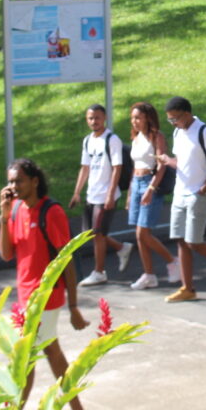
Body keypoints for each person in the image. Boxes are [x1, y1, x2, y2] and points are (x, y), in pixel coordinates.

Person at [0, 158, 93, 410]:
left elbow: (67, 261)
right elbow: (5, 254)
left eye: (19, 181)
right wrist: (3, 217)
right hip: (25, 296)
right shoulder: (15, 209)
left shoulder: (51, 212)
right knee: (51, 353)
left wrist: (74, 306)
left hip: (47, 296)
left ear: (34, 181)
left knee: (25, 360)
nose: (13, 186)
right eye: (11, 181)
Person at [156, 96, 206, 302]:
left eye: (176, 118)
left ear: (187, 113)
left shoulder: (205, 132)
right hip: (179, 192)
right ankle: (187, 288)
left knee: (194, 242)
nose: (174, 123)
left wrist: (203, 189)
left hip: (198, 194)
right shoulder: (178, 132)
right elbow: (182, 162)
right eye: (170, 120)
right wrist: (167, 160)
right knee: (181, 241)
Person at [69, 104, 132, 286]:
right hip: (92, 194)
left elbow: (117, 167)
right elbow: (85, 167)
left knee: (98, 234)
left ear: (104, 118)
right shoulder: (88, 140)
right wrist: (77, 193)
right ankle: (121, 248)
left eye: (97, 117)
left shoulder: (112, 140)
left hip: (105, 194)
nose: (94, 121)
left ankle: (99, 272)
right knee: (89, 233)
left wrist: (110, 194)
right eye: (90, 118)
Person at [125, 101, 181, 289]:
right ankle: (149, 274)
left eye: (138, 117)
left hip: (150, 184)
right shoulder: (136, 137)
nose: (134, 121)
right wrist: (130, 192)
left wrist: (150, 189)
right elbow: (135, 167)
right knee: (139, 235)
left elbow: (161, 165)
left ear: (148, 118)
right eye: (132, 118)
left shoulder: (156, 137)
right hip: (137, 183)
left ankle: (172, 261)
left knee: (144, 232)